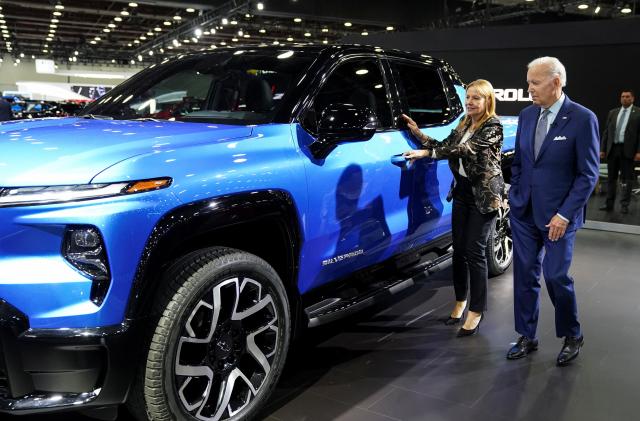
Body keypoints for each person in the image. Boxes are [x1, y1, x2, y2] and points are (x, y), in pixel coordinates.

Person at [506, 57, 599, 366]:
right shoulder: (527, 115)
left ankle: (572, 335)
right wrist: (516, 194)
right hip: (524, 212)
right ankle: (526, 335)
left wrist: (564, 215)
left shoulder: (582, 118)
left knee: (556, 276)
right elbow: (519, 161)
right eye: (528, 82)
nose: (528, 88)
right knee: (524, 275)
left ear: (556, 82)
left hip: (559, 216)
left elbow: (587, 174)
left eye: (534, 83)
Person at [403, 79, 504, 337]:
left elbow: (464, 150)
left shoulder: (493, 125)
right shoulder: (464, 123)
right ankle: (460, 301)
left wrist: (426, 155)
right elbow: (444, 143)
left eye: (476, 98)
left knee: (475, 253)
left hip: (483, 197)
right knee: (458, 250)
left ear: (487, 101)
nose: (470, 102)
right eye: (468, 97)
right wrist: (418, 134)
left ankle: (476, 311)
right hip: (461, 193)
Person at [599, 90, 640, 214]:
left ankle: (624, 205)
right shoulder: (613, 112)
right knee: (611, 178)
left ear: (632, 99)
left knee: (627, 179)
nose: (624, 99)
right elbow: (606, 132)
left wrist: (639, 151)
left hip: (628, 150)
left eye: (627, 97)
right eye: (622, 96)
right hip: (613, 149)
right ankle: (609, 204)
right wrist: (602, 149)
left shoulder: (638, 113)